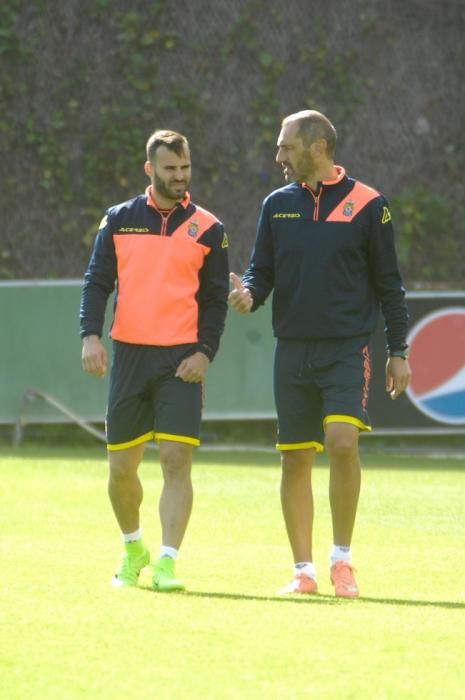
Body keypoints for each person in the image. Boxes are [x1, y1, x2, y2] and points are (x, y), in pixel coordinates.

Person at [229, 110, 411, 598]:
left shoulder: (371, 204)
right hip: (292, 350)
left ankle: (342, 561)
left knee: (342, 442)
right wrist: (248, 294)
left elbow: (390, 285)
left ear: (317, 147)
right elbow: (259, 272)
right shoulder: (276, 205)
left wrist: (399, 350)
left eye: (286, 146)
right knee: (295, 460)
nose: (279, 156)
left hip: (347, 348)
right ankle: (303, 571)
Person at [80, 129, 229, 591]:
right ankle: (133, 547)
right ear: (150, 169)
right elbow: (96, 282)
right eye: (170, 169)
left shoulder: (210, 228)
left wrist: (205, 353)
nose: (180, 177)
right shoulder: (119, 219)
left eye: (185, 169)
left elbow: (216, 301)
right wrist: (90, 336)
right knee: (121, 469)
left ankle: (166, 562)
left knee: (174, 460)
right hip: (128, 357)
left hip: (181, 362)